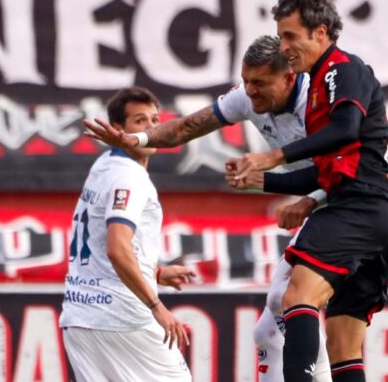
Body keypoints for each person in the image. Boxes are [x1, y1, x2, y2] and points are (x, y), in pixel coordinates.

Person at [84, 35, 332, 382]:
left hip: (350, 209)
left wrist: (309, 200)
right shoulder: (247, 97)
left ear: (289, 78)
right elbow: (185, 127)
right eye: (245, 81)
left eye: (259, 83)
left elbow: (353, 168)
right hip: (324, 208)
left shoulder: (322, 101)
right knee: (275, 323)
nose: (249, 91)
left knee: (297, 308)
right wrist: (136, 140)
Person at [230, 0, 388, 382]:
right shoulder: (322, 84)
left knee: (297, 297)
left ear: (320, 33)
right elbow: (327, 168)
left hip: (358, 207)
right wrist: (263, 181)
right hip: (379, 215)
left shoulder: (342, 69)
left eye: (290, 36)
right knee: (343, 342)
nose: (284, 45)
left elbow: (346, 129)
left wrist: (274, 155)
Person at [60, 87, 195, 382]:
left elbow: (98, 243)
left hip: (80, 316)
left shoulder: (104, 166)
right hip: (122, 318)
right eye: (140, 120)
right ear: (118, 130)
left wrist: (155, 272)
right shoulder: (130, 176)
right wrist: (156, 306)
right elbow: (117, 248)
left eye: (155, 119)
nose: (150, 127)